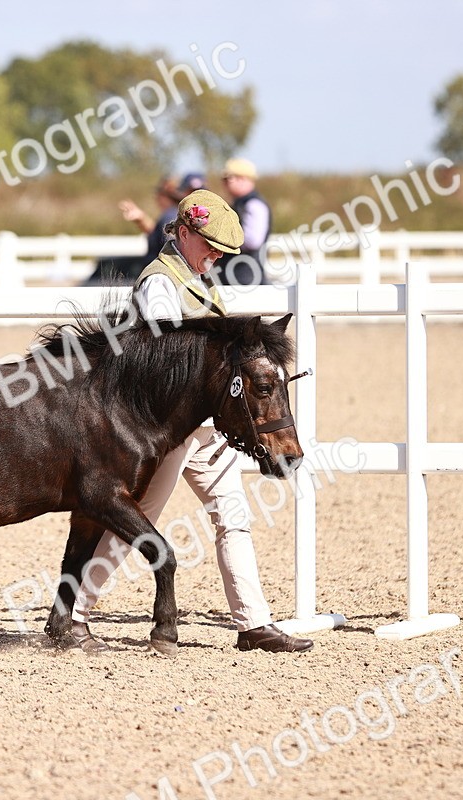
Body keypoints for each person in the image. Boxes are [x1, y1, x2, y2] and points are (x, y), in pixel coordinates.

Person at [68, 188, 313, 654]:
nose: (217, 256)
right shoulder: (160, 282)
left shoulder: (198, 279)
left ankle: (253, 624)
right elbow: (166, 357)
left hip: (210, 429)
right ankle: (74, 615)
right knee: (136, 524)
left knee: (233, 519)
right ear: (183, 233)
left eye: (223, 251)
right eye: (210, 246)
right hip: (170, 433)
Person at [84, 173, 206, 286]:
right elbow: (162, 235)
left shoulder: (170, 215)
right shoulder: (179, 216)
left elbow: (171, 245)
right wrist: (141, 219)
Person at [221, 157, 271, 285]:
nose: (225, 183)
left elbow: (252, 241)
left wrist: (221, 239)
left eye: (228, 179)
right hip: (237, 276)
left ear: (242, 178)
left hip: (246, 278)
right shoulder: (241, 204)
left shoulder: (254, 205)